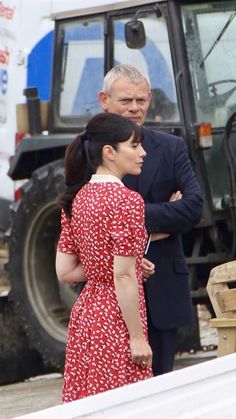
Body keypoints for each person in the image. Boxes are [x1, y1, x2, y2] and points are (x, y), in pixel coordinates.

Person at [98, 64, 203, 376]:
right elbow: (86, 217)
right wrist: (159, 220)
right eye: (125, 100)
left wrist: (124, 220)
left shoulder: (171, 147)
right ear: (104, 100)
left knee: (161, 389)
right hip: (108, 293)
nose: (134, 108)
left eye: (141, 100)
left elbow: (194, 207)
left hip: (162, 288)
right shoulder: (86, 151)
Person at [56, 112, 154, 403]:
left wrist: (106, 267)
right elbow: (122, 276)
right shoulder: (127, 201)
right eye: (134, 146)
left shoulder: (76, 198)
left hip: (86, 315)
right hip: (116, 317)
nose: (142, 152)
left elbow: (65, 271)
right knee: (125, 404)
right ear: (109, 152)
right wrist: (137, 337)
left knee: (91, 403)